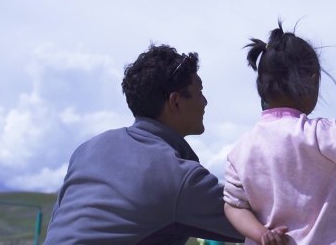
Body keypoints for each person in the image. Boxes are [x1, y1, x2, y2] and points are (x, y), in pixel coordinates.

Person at [44, 44, 244, 245]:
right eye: (199, 91)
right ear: (175, 102)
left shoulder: (86, 150)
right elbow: (264, 222)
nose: (205, 101)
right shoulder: (177, 176)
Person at [223, 22, 336, 244]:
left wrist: (261, 234)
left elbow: (234, 206)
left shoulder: (241, 149)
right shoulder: (323, 134)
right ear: (311, 80)